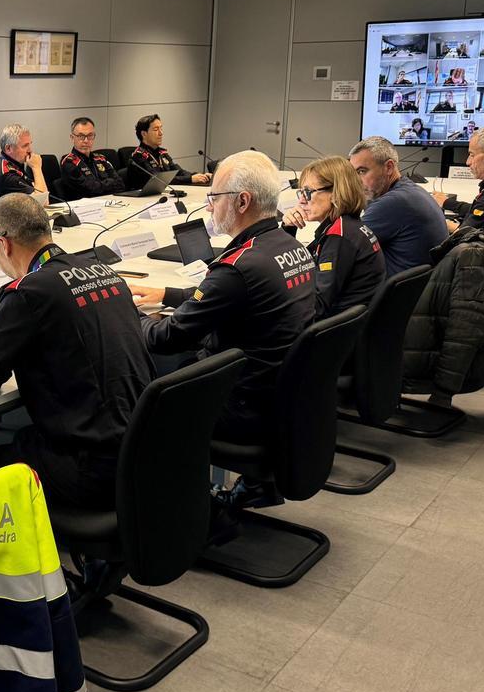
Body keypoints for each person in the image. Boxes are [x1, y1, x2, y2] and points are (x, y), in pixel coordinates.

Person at [127, 151, 315, 508]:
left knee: (145, 405)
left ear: (242, 201)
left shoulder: (237, 267)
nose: (210, 207)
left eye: (215, 197)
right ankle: (254, 487)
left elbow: (167, 337)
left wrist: (125, 315)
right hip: (285, 397)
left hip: (243, 405)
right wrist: (167, 294)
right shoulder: (289, 246)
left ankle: (179, 515)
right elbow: (232, 295)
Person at [0, 194, 152, 509]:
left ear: (3, 245)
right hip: (143, 451)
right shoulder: (103, 271)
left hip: (91, 470)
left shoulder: (28, 293)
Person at [281, 156, 385, 319]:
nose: (301, 201)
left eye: (308, 192)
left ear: (336, 192)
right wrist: (289, 229)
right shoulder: (347, 226)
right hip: (350, 325)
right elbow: (303, 263)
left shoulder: (339, 237)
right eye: (301, 192)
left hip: (335, 332)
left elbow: (318, 306)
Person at [349, 136, 448, 276]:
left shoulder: (392, 203)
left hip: (392, 294)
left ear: (389, 167)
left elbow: (341, 247)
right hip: (415, 287)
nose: (356, 181)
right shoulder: (408, 190)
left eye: (362, 171)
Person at [125, 113, 211, 190]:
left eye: (161, 128)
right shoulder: (138, 157)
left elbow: (179, 172)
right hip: (140, 200)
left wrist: (199, 176)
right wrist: (190, 179)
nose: (161, 133)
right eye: (156, 130)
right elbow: (158, 180)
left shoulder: (162, 153)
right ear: (144, 134)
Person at [58, 117, 124, 198]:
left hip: (108, 203)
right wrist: (109, 183)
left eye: (90, 136)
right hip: (82, 207)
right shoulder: (68, 162)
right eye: (81, 136)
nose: (86, 141)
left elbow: (120, 184)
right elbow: (90, 190)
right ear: (72, 138)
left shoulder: (101, 158)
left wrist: (100, 185)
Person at [0, 123, 48, 199]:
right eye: (25, 146)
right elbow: (43, 201)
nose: (30, 150)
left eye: (30, 144)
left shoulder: (4, 160)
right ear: (8, 148)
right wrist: (37, 168)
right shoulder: (8, 175)